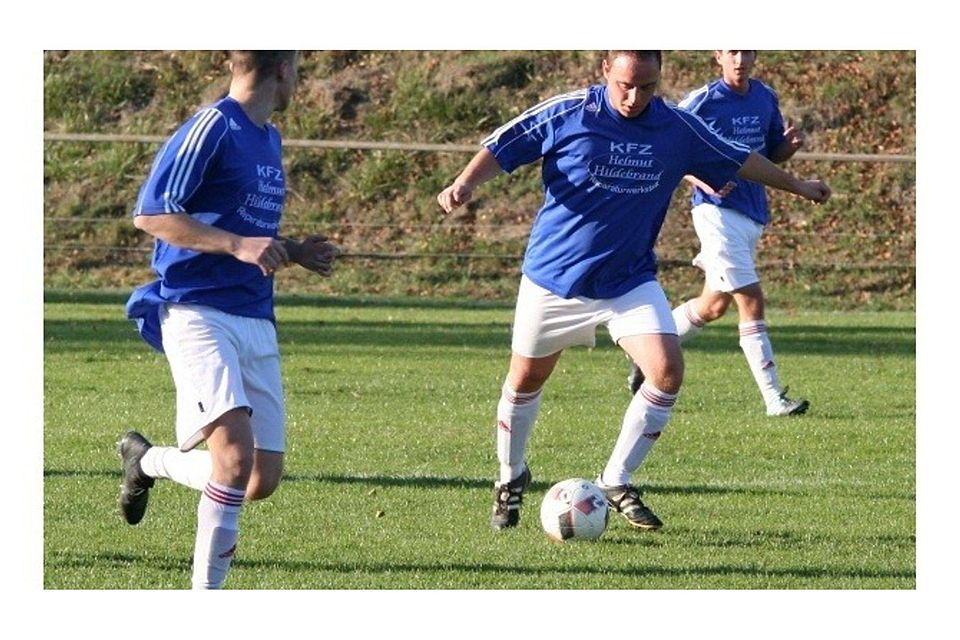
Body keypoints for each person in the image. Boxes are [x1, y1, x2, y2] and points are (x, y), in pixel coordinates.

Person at [437, 50, 830, 532]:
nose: (634, 96)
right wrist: (464, 183)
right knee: (524, 383)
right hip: (554, 279)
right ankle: (510, 477)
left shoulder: (677, 127)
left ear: (658, 79)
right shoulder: (568, 112)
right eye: (625, 84)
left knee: (666, 371)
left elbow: (740, 158)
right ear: (605, 71)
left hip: (629, 280)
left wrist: (799, 185)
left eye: (646, 86)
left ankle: (615, 479)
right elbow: (504, 144)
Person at [120, 50, 340, 589]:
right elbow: (153, 213)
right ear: (283, 69)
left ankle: (147, 462)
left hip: (255, 315)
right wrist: (238, 244)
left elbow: (244, 233)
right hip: (198, 311)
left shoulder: (268, 137)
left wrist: (293, 251)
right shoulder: (212, 126)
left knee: (259, 478)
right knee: (235, 461)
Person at [626, 50, 810, 417]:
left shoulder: (765, 97)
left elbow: (768, 155)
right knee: (751, 299)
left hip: (752, 213)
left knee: (713, 305)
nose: (740, 58)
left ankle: (645, 353)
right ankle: (774, 398)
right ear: (718, 56)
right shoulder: (701, 101)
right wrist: (702, 180)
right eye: (731, 51)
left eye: (746, 50)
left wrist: (785, 149)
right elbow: (670, 149)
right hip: (716, 214)